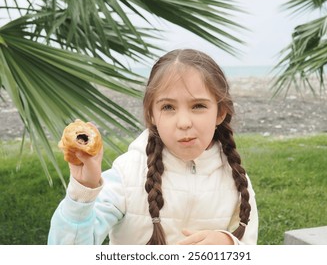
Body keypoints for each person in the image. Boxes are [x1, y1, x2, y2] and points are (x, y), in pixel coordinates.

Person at [48, 49, 258, 245]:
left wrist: (230, 243)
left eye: (198, 106)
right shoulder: (127, 174)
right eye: (168, 107)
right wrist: (83, 190)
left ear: (220, 112)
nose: (184, 122)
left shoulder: (237, 180)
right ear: (151, 114)